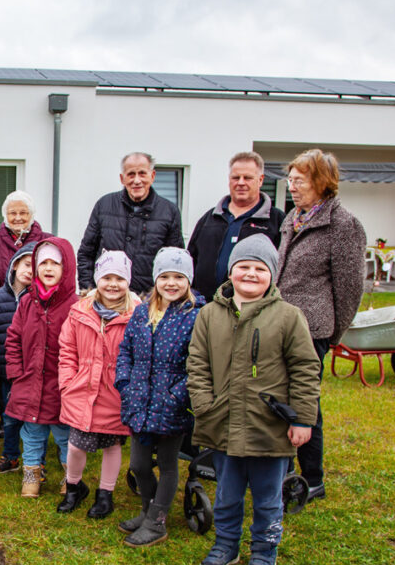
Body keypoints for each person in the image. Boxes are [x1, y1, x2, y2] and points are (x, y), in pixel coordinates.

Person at [189, 236, 320, 565]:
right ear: (231, 272)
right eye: (243, 266)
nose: (250, 274)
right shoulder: (209, 315)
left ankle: (264, 550)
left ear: (272, 276)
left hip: (269, 427)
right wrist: (203, 404)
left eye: (260, 269)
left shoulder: (289, 317)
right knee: (228, 494)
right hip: (223, 424)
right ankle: (226, 544)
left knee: (267, 498)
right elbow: (197, 363)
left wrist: (304, 418)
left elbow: (306, 369)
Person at [276, 149, 366, 502]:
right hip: (281, 325)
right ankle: (283, 470)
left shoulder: (343, 225)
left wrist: (332, 332)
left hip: (312, 330)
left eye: (299, 181)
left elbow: (350, 289)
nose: (292, 187)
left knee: (305, 402)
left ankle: (312, 478)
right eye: (291, 180)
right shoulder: (293, 218)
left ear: (321, 182)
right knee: (280, 398)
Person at [115, 247, 205, 547]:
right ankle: (147, 510)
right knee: (139, 465)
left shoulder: (195, 316)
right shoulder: (142, 312)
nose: (171, 283)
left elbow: (199, 362)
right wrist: (125, 384)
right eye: (165, 276)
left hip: (171, 405)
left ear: (188, 281)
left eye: (178, 277)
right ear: (156, 279)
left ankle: (158, 521)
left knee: (167, 465)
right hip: (139, 400)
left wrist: (178, 395)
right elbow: (126, 350)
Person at [57, 251, 136, 517]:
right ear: (97, 280)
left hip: (116, 392)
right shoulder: (80, 312)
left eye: (119, 278)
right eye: (107, 278)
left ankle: (105, 494)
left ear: (128, 282)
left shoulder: (136, 314)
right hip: (82, 389)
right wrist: (67, 383)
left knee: (112, 444)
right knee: (76, 444)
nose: (113, 284)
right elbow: (67, 349)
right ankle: (74, 487)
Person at [5, 238, 79, 497]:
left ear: (66, 267)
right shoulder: (27, 302)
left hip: (61, 387)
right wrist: (15, 371)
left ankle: (71, 478)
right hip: (29, 383)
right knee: (32, 433)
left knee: (64, 435)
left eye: (54, 263)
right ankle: (31, 475)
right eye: (42, 263)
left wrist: (74, 382)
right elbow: (13, 337)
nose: (48, 268)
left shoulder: (75, 306)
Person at [77, 152, 184, 294]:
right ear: (122, 178)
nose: (137, 180)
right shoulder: (104, 205)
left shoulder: (169, 211)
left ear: (152, 176)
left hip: (149, 301)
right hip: (107, 299)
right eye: (131, 174)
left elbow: (175, 261)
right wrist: (89, 290)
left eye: (142, 174)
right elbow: (86, 253)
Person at [187, 151, 285, 302]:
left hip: (252, 310)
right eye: (235, 177)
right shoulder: (209, 218)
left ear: (260, 180)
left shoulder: (276, 221)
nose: (240, 182)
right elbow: (191, 260)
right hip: (205, 307)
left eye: (247, 178)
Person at [0, 242, 36, 475]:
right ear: (14, 266)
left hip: (32, 370)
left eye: (36, 266)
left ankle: (36, 459)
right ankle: (11, 455)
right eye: (26, 264)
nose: (30, 271)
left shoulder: (38, 300)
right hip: (5, 369)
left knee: (34, 418)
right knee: (9, 415)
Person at [0, 190, 49, 308]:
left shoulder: (47, 242)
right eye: (13, 213)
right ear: (5, 215)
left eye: (23, 213)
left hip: (37, 306)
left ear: (31, 215)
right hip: (0, 307)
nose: (18, 218)